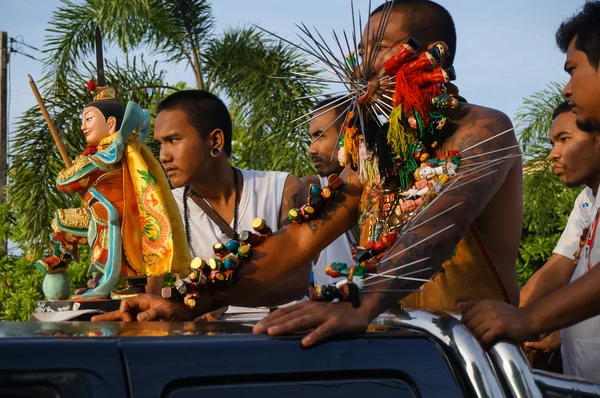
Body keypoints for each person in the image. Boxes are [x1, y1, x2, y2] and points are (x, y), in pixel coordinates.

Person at [95, 0, 523, 347]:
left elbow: (437, 226)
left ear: (432, 50)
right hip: (396, 358)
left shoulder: (484, 129)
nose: (361, 68)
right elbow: (300, 237)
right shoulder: (374, 157)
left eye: (377, 48)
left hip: (471, 361)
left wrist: (361, 302)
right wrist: (188, 302)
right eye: (361, 52)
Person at [460, 2, 600, 382]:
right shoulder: (589, 201)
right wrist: (504, 318)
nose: (568, 88)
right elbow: (559, 266)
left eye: (573, 70)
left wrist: (527, 319)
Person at [93, 90, 307, 320]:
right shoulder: (159, 208)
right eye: (160, 144)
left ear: (215, 141)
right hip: (204, 344)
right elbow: (149, 293)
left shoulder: (282, 189)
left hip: (282, 338)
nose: (163, 156)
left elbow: (296, 282)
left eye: (173, 140)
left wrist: (200, 299)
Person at [36, 83, 190, 300]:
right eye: (83, 120)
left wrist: (70, 170)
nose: (82, 126)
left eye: (88, 119)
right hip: (122, 218)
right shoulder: (124, 150)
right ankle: (124, 283)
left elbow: (65, 183)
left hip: (108, 217)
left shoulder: (105, 156)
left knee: (61, 220)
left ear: (110, 124)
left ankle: (60, 263)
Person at [303, 97, 356, 289]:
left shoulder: (389, 187)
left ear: (348, 133)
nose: (311, 149)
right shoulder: (312, 192)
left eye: (320, 135)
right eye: (311, 137)